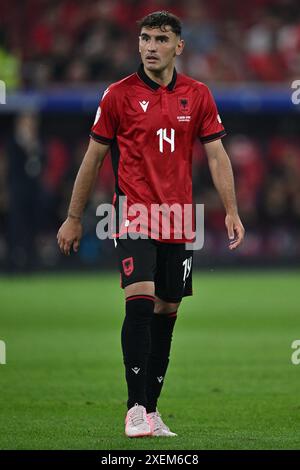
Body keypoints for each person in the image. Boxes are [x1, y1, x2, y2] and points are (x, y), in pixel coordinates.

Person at [57, 11, 245, 438]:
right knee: (140, 303)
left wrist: (231, 210)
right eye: (144, 38)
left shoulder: (197, 95)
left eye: (160, 39)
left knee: (167, 312)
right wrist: (73, 218)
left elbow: (217, 156)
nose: (150, 46)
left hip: (179, 218)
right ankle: (134, 408)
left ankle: (153, 410)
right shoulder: (118, 95)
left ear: (179, 46)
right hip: (134, 214)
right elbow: (93, 158)